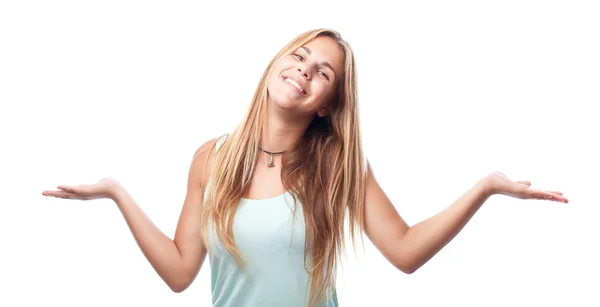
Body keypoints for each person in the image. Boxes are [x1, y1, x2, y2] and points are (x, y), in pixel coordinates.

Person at [41, 28, 569, 307]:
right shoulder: (211, 158)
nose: (304, 71)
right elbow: (181, 273)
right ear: (277, 62)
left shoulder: (337, 165)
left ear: (326, 103)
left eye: (323, 73)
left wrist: (485, 188)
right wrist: (115, 193)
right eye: (299, 56)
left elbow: (406, 252)